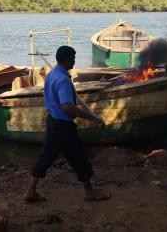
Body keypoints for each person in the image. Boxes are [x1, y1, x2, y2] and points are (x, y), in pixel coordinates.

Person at [24, 45, 111, 202]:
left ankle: (30, 191)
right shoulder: (63, 80)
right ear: (66, 60)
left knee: (46, 157)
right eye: (73, 59)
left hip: (52, 121)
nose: (74, 61)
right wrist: (93, 118)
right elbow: (67, 106)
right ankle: (89, 192)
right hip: (63, 126)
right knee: (78, 158)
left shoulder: (52, 74)